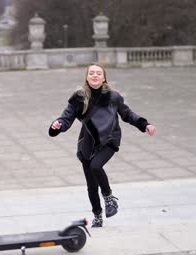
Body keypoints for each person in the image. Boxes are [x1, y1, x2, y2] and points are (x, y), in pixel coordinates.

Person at [49, 64, 156, 227]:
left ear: (104, 78)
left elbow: (128, 115)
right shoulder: (79, 97)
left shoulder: (113, 97)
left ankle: (109, 197)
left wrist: (144, 125)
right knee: (91, 186)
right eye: (91, 73)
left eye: (98, 73)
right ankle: (97, 216)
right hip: (87, 142)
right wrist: (58, 124)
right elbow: (67, 117)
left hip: (109, 140)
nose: (95, 75)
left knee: (95, 166)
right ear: (87, 77)